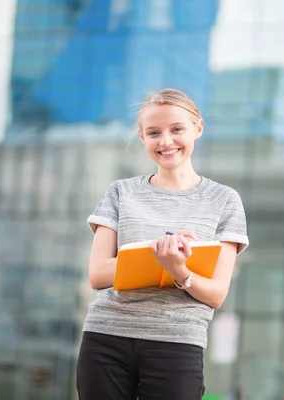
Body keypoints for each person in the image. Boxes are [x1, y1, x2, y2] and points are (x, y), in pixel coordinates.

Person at [76, 88, 249, 400]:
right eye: (154, 132)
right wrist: (162, 254)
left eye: (177, 129)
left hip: (177, 341)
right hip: (106, 338)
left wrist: (180, 271)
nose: (166, 141)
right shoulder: (120, 192)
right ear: (142, 137)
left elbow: (216, 293)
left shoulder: (225, 201)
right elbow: (98, 274)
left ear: (198, 128)